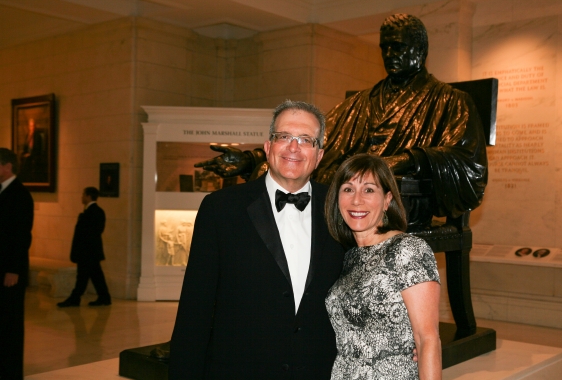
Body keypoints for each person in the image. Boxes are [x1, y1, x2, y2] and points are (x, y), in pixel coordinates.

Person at [196, 13, 488, 230]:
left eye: (397, 47)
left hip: (401, 203)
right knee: (290, 188)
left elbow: (467, 163)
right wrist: (253, 158)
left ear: (420, 51)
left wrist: (403, 161)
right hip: (346, 195)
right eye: (384, 47)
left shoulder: (451, 101)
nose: (389, 55)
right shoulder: (362, 102)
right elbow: (317, 143)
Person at [169, 100, 345, 380]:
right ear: (267, 146)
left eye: (305, 140)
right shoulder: (220, 209)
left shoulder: (340, 209)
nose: (293, 147)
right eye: (284, 137)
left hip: (317, 376)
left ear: (320, 155)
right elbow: (194, 311)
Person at [324, 153, 441, 380]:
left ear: (387, 200)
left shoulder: (408, 250)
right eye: (348, 189)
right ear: (337, 199)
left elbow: (427, 340)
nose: (357, 200)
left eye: (368, 190)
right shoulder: (348, 257)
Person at [0, 148, 34, 380]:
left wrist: (13, 269)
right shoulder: (3, 191)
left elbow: (21, 236)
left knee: (10, 325)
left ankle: (11, 377)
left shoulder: (21, 195)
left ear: (7, 166)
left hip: (10, 272)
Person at [57, 187, 111, 307]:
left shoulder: (91, 212)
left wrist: (81, 250)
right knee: (94, 276)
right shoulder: (97, 211)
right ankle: (104, 297)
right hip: (91, 251)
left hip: (87, 252)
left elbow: (87, 233)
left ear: (88, 196)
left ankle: (75, 298)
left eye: (83, 194)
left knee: (83, 276)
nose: (81, 197)